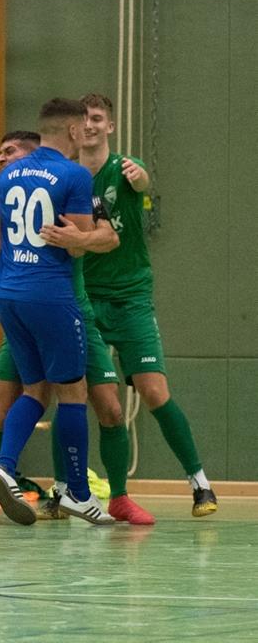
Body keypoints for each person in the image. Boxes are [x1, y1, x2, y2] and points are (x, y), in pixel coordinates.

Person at [0, 131, 152, 524]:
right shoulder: (8, 202)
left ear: (33, 155)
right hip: (38, 310)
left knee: (109, 408)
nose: (1, 159)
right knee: (9, 406)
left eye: (9, 151)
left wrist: (76, 238)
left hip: (72, 311)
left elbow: (109, 236)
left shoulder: (69, 187)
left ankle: (112, 496)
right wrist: (16, 259)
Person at [78, 93, 216, 517]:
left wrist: (142, 179)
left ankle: (200, 484)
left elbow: (142, 184)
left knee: (155, 391)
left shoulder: (125, 169)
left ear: (110, 127)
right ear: (72, 128)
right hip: (85, 298)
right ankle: (102, 493)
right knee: (97, 401)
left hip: (131, 297)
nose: (90, 125)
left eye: (98, 119)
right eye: (83, 119)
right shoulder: (68, 178)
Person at [0, 98, 114, 527]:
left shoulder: (6, 174)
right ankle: (77, 493)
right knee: (73, 393)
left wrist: (14, 269)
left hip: (10, 296)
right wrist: (76, 240)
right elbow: (76, 243)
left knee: (34, 390)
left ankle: (3, 467)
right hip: (53, 296)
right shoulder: (74, 175)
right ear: (74, 131)